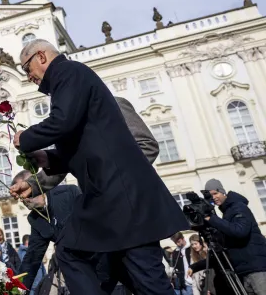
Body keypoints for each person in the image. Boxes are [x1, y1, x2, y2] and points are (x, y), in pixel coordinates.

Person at [10, 39, 187, 295]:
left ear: (41, 56)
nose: (28, 77)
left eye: (27, 69)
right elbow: (82, 148)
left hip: (123, 199)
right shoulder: (68, 82)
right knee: (71, 250)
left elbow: (62, 121)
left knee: (148, 281)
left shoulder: (67, 71)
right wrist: (47, 160)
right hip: (109, 200)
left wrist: (26, 138)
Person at [11, 96, 159, 198]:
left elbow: (147, 146)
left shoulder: (112, 104)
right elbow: (74, 160)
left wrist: (107, 180)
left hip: (132, 200)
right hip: (98, 203)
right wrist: (35, 182)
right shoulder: (69, 119)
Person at [189, 179, 266, 295]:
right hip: (243, 269)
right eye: (210, 195)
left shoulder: (238, 207)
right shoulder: (227, 212)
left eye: (215, 193)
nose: (214, 197)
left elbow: (240, 231)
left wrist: (212, 219)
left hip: (256, 267)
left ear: (223, 191)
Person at [13, 170, 79, 293]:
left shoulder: (70, 193)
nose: (22, 198)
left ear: (35, 184)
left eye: (23, 191)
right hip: (73, 273)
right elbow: (32, 259)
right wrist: (17, 290)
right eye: (19, 195)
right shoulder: (35, 219)